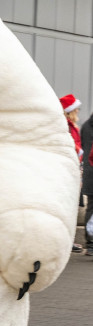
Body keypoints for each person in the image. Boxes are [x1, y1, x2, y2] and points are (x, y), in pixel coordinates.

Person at [60, 94, 84, 253]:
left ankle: (69, 239)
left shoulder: (71, 126)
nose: (78, 112)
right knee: (67, 206)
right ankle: (66, 240)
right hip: (69, 170)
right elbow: (72, 147)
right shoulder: (67, 127)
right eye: (76, 110)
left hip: (74, 169)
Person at [83, 109, 93, 257]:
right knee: (91, 209)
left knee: (90, 208)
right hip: (91, 174)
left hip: (89, 173)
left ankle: (90, 243)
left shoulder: (85, 126)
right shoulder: (87, 127)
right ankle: (90, 243)